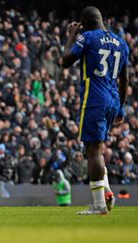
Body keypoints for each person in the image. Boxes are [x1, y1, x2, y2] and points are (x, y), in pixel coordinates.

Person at [61, 6, 129, 215]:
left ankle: (99, 205)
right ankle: (106, 191)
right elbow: (124, 79)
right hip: (113, 100)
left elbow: (64, 61)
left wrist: (72, 36)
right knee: (95, 149)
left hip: (95, 99)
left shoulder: (88, 37)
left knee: (93, 151)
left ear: (85, 23)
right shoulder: (121, 42)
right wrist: (121, 108)